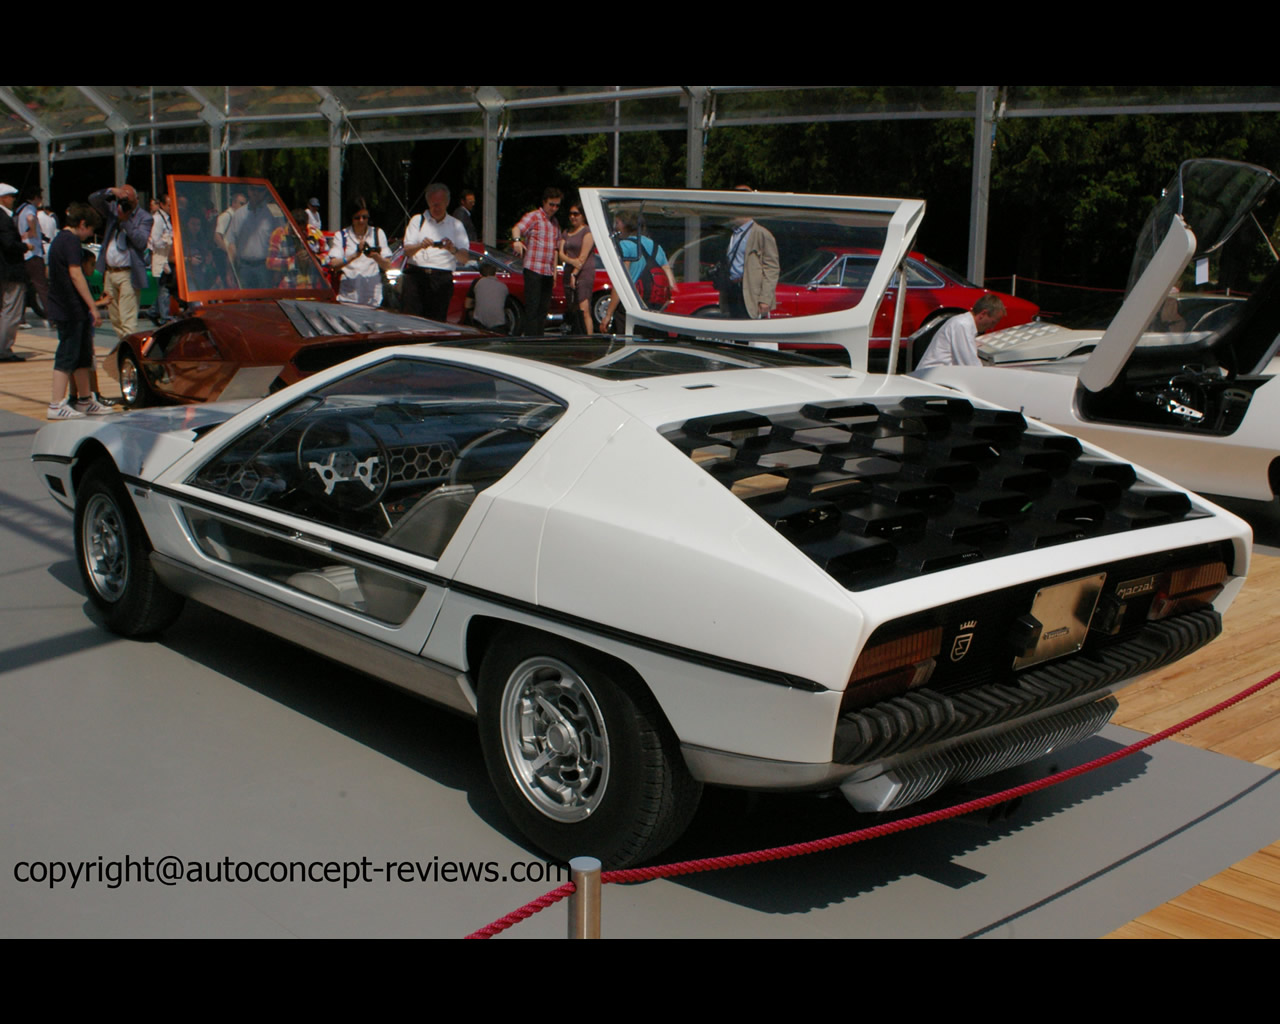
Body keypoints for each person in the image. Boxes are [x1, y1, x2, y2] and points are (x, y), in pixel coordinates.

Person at [45, 202, 108, 419]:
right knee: (67, 354)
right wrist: (93, 306)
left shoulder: (59, 240)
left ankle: (84, 399)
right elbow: (76, 274)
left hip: (69, 306)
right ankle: (55, 404)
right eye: (90, 229)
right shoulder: (70, 241)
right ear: (82, 224)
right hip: (70, 307)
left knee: (82, 354)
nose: (90, 235)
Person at [89, 184, 153, 340]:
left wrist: (126, 221)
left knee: (127, 318)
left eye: (128, 199)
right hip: (110, 271)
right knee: (115, 318)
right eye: (122, 198)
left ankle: (131, 350)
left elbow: (141, 242)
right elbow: (93, 199)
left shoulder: (144, 217)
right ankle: (124, 346)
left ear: (136, 200)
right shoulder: (113, 211)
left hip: (128, 273)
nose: (124, 203)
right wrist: (110, 191)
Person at [401, 183, 474, 320]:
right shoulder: (417, 221)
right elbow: (407, 251)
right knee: (411, 320)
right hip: (417, 276)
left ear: (447, 203)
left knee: (436, 321)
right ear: (428, 203)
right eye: (433, 204)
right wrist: (420, 246)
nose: (437, 208)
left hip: (442, 278)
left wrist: (452, 249)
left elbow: (464, 258)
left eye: (440, 204)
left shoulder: (456, 225)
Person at [599, 210, 677, 331]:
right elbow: (671, 282)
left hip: (630, 304)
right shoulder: (656, 246)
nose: (615, 227)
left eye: (617, 222)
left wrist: (608, 313)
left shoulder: (625, 245)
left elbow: (622, 281)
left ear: (626, 225)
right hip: (653, 306)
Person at [718, 189, 779, 319]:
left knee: (749, 330)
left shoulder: (762, 234)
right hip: (732, 288)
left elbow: (772, 268)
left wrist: (765, 298)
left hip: (750, 292)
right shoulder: (731, 234)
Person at [511, 187, 563, 335]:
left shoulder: (555, 223)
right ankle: (530, 340)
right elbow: (517, 228)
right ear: (544, 202)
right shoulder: (534, 216)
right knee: (533, 307)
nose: (554, 208)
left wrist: (554, 272)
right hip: (533, 268)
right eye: (551, 204)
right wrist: (516, 241)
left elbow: (555, 248)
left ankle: (539, 338)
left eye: (557, 205)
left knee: (543, 308)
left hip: (547, 270)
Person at [913, 294, 1007, 369]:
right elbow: (970, 364)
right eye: (993, 322)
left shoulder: (964, 323)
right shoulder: (962, 325)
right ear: (983, 314)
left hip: (939, 374)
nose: (992, 327)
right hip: (932, 376)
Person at [328, 197, 391, 306]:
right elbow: (334, 265)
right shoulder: (341, 236)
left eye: (365, 217)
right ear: (351, 218)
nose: (361, 221)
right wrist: (354, 255)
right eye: (357, 218)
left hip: (373, 299)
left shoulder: (377, 234)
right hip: (348, 298)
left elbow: (388, 265)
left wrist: (375, 256)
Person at [558, 201, 598, 334]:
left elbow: (583, 257)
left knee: (584, 307)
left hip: (584, 272)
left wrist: (574, 274)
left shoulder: (587, 231)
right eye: (571, 214)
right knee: (573, 307)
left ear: (583, 216)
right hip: (569, 271)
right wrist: (571, 262)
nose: (573, 217)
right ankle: (576, 334)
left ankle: (589, 338)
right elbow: (561, 254)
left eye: (576, 214)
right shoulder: (566, 232)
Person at [0, 183, 28, 362]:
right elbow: (8, 244)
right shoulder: (3, 218)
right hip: (10, 270)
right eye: (10, 196)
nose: (13, 200)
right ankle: (4, 349)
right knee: (11, 311)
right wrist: (25, 246)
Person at [17, 187, 49, 326]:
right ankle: (52, 316)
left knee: (22, 288)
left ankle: (20, 318)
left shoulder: (20, 209)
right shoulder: (30, 209)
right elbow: (31, 218)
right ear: (35, 198)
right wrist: (32, 232)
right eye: (39, 197)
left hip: (23, 254)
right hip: (34, 253)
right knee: (41, 286)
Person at [148, 192, 174, 323]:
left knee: (165, 287)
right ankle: (165, 317)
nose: (171, 207)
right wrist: (168, 240)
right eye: (169, 205)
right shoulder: (157, 219)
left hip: (167, 258)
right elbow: (155, 240)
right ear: (162, 205)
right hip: (160, 258)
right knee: (163, 288)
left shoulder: (169, 218)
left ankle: (153, 311)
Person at [470, 261, 510, 331]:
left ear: (480, 274)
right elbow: (506, 307)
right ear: (495, 273)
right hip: (499, 324)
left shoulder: (478, 282)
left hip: (479, 322)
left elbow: (467, 304)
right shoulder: (503, 286)